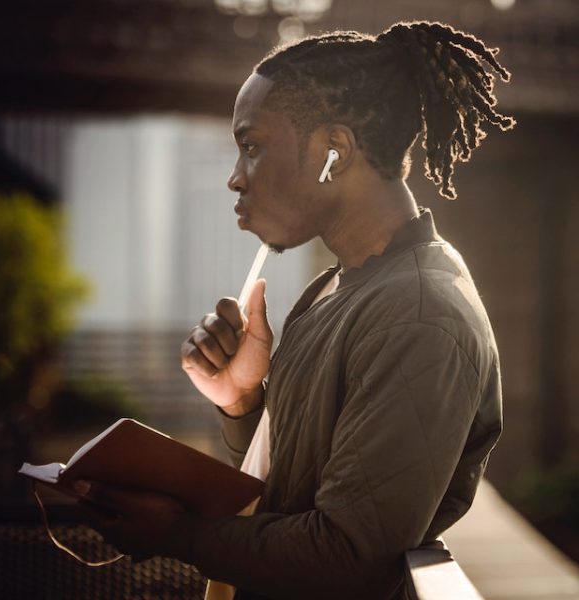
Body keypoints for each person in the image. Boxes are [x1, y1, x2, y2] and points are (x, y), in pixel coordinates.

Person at [76, 21, 514, 599]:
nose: (236, 177)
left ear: (333, 152)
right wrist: (241, 401)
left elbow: (346, 556)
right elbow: (296, 485)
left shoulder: (420, 313)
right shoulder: (336, 288)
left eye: (252, 146)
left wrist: (181, 536)